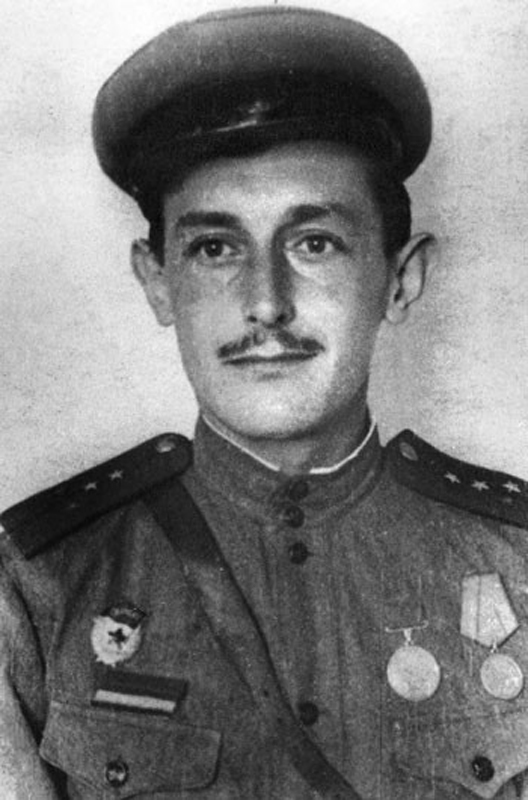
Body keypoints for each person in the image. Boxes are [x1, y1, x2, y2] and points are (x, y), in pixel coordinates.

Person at [1, 5, 528, 799]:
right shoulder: (39, 585)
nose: (266, 304)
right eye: (215, 248)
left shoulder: (515, 560)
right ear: (157, 282)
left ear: (400, 278)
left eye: (314, 243)